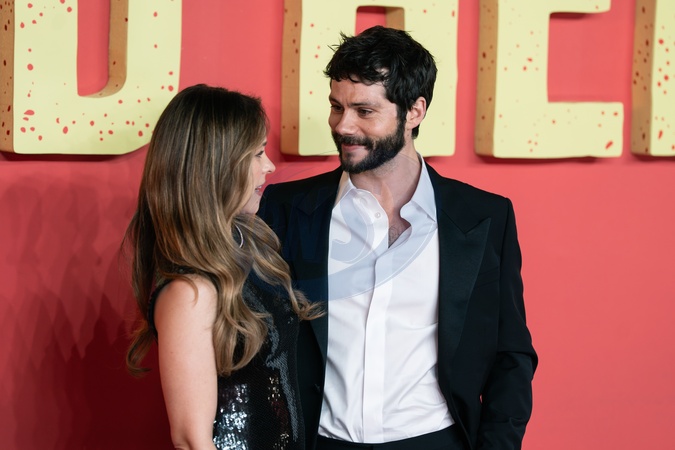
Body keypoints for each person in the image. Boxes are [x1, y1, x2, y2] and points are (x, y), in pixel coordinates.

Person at [258, 26, 537, 450]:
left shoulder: (484, 217)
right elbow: (254, 341)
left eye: (364, 111)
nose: (343, 126)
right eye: (336, 106)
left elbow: (510, 353)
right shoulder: (285, 209)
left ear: (414, 112)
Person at [123, 84, 320, 450]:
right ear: (217, 166)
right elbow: (191, 440)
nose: (269, 166)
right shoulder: (190, 292)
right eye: (257, 153)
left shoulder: (250, 245)